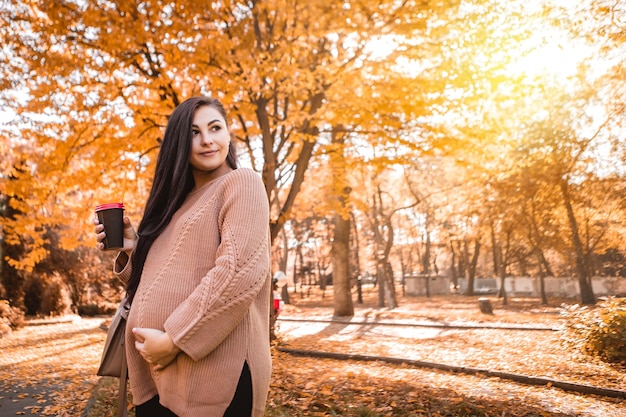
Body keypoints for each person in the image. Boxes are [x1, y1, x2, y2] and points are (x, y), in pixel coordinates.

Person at [94, 96, 272, 417]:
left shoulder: (241, 183)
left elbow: (236, 273)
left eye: (215, 128)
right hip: (157, 376)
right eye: (193, 132)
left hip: (211, 375)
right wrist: (134, 247)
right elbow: (158, 280)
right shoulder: (176, 205)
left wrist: (174, 338)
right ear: (179, 141)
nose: (206, 140)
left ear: (228, 134)